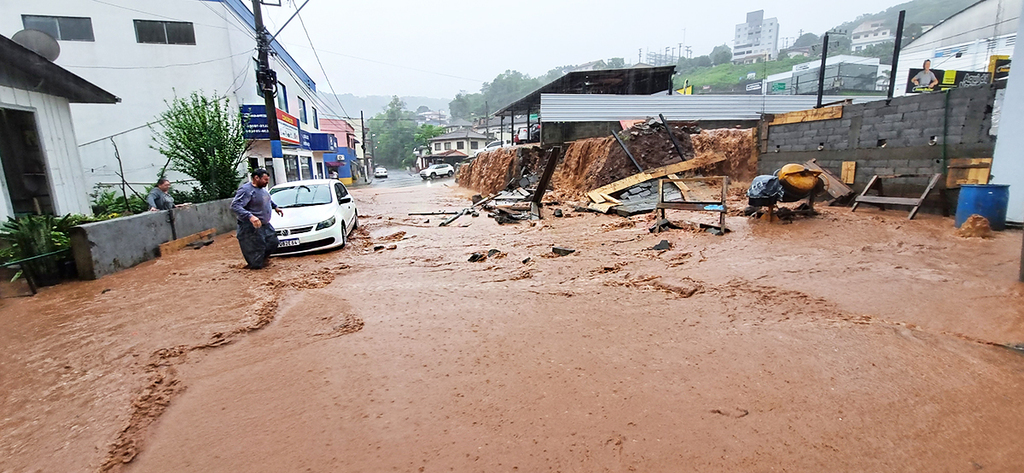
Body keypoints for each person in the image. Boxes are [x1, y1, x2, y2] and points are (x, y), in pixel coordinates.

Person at [230, 169, 283, 269]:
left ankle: (263, 261)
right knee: (256, 250)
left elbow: (267, 200)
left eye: (268, 180)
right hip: (250, 226)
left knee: (273, 242)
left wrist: (275, 207)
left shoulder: (262, 189)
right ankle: (255, 271)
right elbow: (235, 206)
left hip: (264, 224)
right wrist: (250, 216)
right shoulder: (246, 190)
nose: (267, 182)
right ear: (256, 178)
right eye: (265, 180)